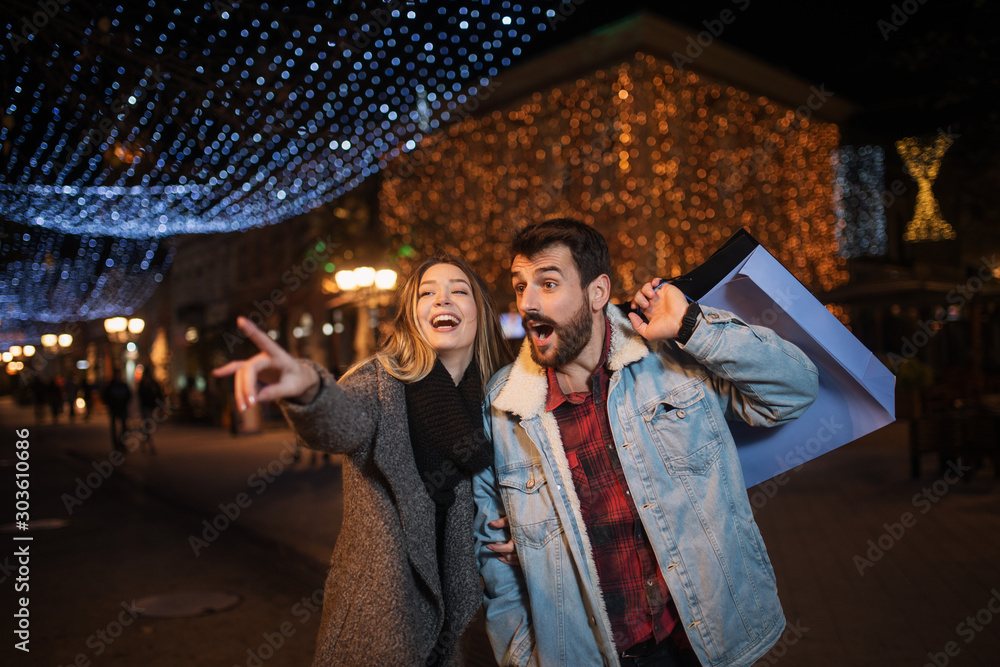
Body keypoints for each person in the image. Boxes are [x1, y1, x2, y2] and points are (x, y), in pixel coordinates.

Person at [473, 219, 819, 667]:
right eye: (521, 287)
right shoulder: (503, 408)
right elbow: (494, 561)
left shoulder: (670, 356)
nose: (528, 303)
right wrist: (523, 655)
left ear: (597, 293)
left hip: (704, 643)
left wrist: (692, 324)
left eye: (549, 284)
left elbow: (793, 391)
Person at [213, 255, 518, 666]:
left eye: (458, 291)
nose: (442, 300)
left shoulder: (502, 398)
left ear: (480, 311)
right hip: (379, 621)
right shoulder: (380, 383)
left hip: (459, 626)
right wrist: (307, 389)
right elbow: (339, 421)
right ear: (412, 316)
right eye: (427, 293)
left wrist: (531, 537)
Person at [102, 369, 132, 452]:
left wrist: (124, 402)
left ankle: (122, 443)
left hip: (122, 409)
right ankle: (116, 445)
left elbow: (129, 395)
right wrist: (111, 404)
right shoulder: (111, 386)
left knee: (124, 427)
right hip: (114, 409)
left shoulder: (123, 385)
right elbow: (105, 396)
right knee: (114, 428)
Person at [138, 369, 164, 453]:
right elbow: (140, 396)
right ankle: (150, 445)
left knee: (148, 427)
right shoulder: (143, 385)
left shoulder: (153, 384)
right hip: (145, 407)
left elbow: (159, 395)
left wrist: (160, 406)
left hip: (152, 408)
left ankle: (145, 442)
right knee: (148, 426)